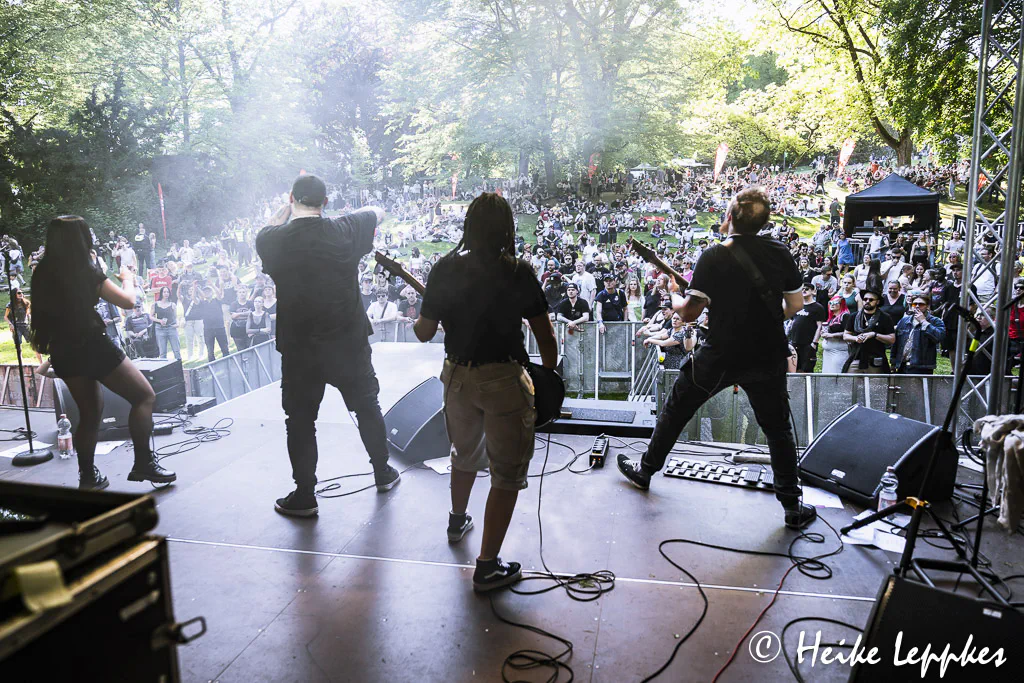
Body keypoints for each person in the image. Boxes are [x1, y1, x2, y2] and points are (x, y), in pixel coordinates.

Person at [616, 187, 816, 530]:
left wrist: (675, 293)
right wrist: (766, 319)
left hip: (721, 353)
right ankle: (791, 506)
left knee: (677, 409)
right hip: (767, 354)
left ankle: (645, 471)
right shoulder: (780, 251)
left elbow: (689, 314)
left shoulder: (714, 256)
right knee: (778, 429)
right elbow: (795, 305)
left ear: (730, 216)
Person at [413, 192, 557, 592]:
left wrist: (432, 311)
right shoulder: (518, 272)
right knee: (506, 473)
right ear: (507, 230)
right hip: (505, 379)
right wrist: (548, 375)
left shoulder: (444, 268)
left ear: (469, 226)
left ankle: (457, 520)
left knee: (463, 453)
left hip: (457, 377)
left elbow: (423, 332)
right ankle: (488, 566)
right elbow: (545, 335)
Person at [256, 174, 400, 518]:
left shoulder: (271, 239)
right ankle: (382, 472)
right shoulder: (345, 229)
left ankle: (305, 494)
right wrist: (340, 216)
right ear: (325, 202)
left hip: (300, 347)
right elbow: (377, 212)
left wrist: (285, 212)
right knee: (366, 406)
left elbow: (270, 227)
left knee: (300, 419)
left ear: (291, 199)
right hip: (347, 341)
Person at [28, 216, 175, 489]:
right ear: (81, 239)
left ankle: (88, 477)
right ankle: (143, 463)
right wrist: (127, 278)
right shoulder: (85, 270)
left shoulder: (42, 272)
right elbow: (128, 301)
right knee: (144, 396)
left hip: (63, 349)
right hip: (92, 345)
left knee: (90, 414)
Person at [842, 289, 896, 373]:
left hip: (875, 358)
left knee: (875, 382)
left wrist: (874, 334)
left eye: (871, 300)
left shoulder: (885, 317)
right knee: (850, 380)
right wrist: (856, 338)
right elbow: (845, 335)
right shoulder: (854, 316)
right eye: (865, 299)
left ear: (877, 302)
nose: (867, 301)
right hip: (856, 357)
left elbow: (892, 339)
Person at [890, 294, 945, 374]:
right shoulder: (904, 321)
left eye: (921, 304)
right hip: (902, 365)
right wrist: (893, 363)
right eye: (914, 304)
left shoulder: (936, 321)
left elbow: (939, 337)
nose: (917, 306)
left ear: (927, 306)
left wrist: (923, 322)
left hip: (922, 367)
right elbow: (896, 343)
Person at [788, 283, 826, 372]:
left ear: (813, 291)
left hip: (808, 344)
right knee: (793, 370)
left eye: (807, 289)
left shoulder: (818, 307)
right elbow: (791, 323)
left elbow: (819, 326)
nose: (804, 290)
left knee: (806, 371)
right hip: (794, 343)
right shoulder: (797, 305)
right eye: (802, 289)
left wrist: (814, 343)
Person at [6, 288, 42, 363]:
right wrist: (10, 324)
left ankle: (41, 363)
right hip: (16, 327)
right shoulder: (10, 305)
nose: (21, 294)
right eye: (19, 293)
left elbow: (28, 314)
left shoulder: (26, 303)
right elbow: (5, 317)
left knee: (34, 344)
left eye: (21, 292)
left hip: (25, 326)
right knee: (18, 346)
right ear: (14, 295)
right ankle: (21, 364)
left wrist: (32, 322)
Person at [820, 296, 851, 373]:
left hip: (839, 351)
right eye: (830, 302)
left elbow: (849, 333)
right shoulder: (832, 317)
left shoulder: (845, 316)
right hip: (828, 352)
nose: (832, 304)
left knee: (836, 373)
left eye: (835, 302)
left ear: (841, 304)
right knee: (827, 374)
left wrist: (831, 335)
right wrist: (824, 333)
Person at [152, 286, 181, 360]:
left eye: (167, 292)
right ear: (161, 293)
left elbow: (176, 317)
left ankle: (178, 365)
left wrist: (177, 323)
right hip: (160, 329)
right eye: (164, 292)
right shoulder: (155, 304)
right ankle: (164, 366)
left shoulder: (173, 305)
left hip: (171, 328)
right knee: (162, 352)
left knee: (176, 350)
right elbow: (151, 316)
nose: (166, 294)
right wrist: (159, 321)